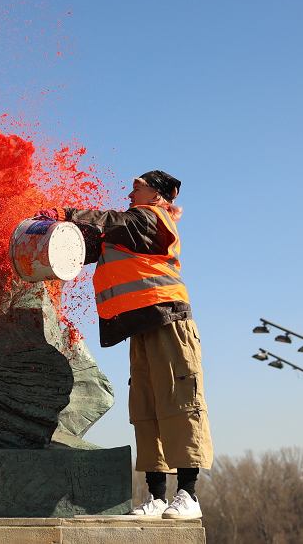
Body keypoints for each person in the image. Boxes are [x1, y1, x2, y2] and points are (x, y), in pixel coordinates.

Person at [43, 170, 212, 520]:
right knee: (146, 411)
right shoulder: (123, 233)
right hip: (141, 327)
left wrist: (67, 212)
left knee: (180, 403)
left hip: (169, 320)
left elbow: (111, 221)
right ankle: (157, 497)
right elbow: (86, 244)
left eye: (139, 187)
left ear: (158, 195)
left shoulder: (152, 219)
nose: (131, 191)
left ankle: (189, 495)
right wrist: (50, 230)